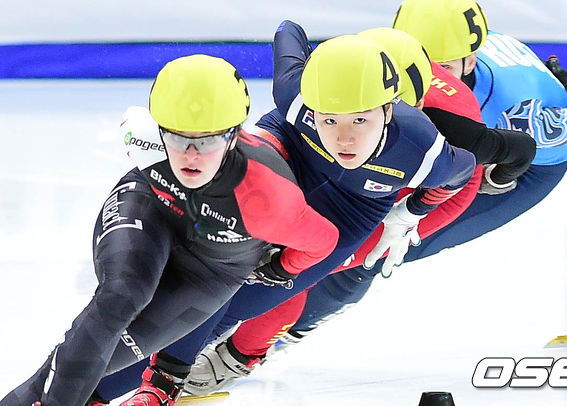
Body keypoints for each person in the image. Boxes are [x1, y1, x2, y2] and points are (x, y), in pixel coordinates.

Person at [181, 0, 567, 393]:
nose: (438, 71)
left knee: (355, 262)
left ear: (471, 58)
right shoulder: (375, 64)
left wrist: (501, 171)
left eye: (444, 64)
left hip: (489, 172)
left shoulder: (464, 122)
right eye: (426, 58)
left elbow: (524, 150)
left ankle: (245, 351)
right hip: (431, 155)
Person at [83, 20, 478, 404]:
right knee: (204, 287)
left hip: (348, 211)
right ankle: (101, 388)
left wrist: (410, 212)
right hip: (290, 154)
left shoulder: (426, 147)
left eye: (362, 119)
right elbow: (289, 29)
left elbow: (473, 173)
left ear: (395, 111)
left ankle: (149, 379)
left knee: (236, 305)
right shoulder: (296, 94)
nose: (345, 138)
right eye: (330, 116)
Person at [0, 54, 340, 406]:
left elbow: (325, 241)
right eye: (177, 138)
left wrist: (282, 267)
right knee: (120, 298)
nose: (191, 155)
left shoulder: (269, 198)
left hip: (210, 273)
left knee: (100, 359)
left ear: (234, 136)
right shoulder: (142, 136)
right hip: (150, 211)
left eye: (207, 140)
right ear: (159, 129)